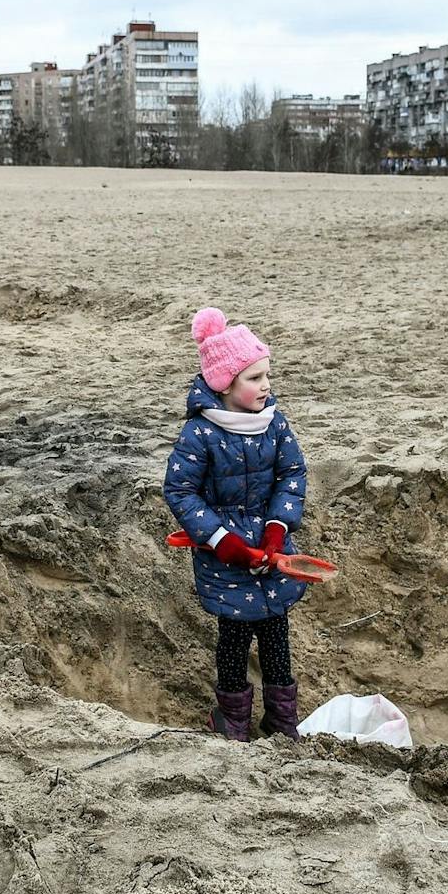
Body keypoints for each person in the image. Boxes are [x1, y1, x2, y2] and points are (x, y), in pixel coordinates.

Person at [163, 307, 309, 743]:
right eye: (253, 377)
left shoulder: (274, 423)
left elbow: (292, 474)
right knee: (234, 638)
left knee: (276, 633)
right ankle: (233, 721)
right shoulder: (201, 434)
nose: (265, 385)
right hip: (226, 558)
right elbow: (181, 492)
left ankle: (282, 720)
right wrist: (222, 541)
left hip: (271, 552)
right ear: (225, 384)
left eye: (267, 375)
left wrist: (277, 529)